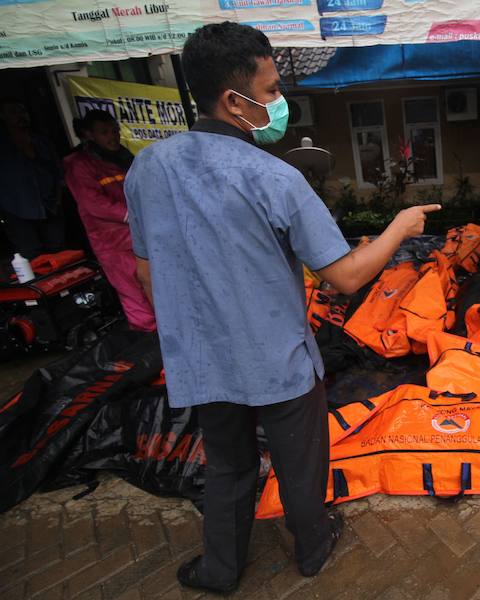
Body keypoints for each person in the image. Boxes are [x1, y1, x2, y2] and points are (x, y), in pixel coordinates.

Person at [124, 22, 440, 594]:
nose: (279, 103)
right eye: (270, 92)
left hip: (203, 362)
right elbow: (344, 277)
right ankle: (313, 550)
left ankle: (219, 569)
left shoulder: (148, 168)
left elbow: (146, 271)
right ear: (233, 100)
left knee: (227, 466)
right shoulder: (274, 176)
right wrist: (399, 226)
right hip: (277, 359)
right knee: (300, 463)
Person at [64, 110, 156, 332]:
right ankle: (149, 339)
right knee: (133, 291)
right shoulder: (79, 164)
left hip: (141, 234)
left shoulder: (124, 157)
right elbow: (92, 203)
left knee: (154, 284)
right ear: (88, 134)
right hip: (112, 241)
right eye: (104, 132)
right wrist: (130, 215)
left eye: (114, 130)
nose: (112, 137)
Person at [0, 98, 66, 259]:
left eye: (22, 111)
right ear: (2, 116)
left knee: (60, 253)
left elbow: (58, 172)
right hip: (16, 210)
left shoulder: (41, 141)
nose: (20, 116)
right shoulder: (3, 145)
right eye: (13, 112)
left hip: (50, 206)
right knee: (31, 255)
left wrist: (57, 199)